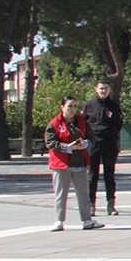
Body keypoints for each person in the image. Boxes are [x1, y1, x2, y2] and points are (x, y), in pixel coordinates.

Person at [45, 96, 104, 232]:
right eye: (69, 106)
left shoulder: (82, 121)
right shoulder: (54, 123)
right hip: (61, 164)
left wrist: (85, 144)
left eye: (75, 106)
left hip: (80, 162)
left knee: (83, 192)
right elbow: (50, 142)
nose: (72, 109)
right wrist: (67, 147)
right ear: (62, 107)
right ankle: (59, 221)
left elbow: (91, 136)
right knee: (61, 193)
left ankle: (87, 220)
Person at [83, 80, 123, 216]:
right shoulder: (89, 105)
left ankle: (111, 205)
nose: (103, 91)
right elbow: (84, 124)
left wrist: (114, 138)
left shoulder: (114, 106)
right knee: (92, 175)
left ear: (109, 90)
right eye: (101, 88)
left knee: (109, 175)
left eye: (106, 88)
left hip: (109, 143)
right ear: (96, 89)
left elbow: (119, 124)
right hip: (94, 143)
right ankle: (91, 205)